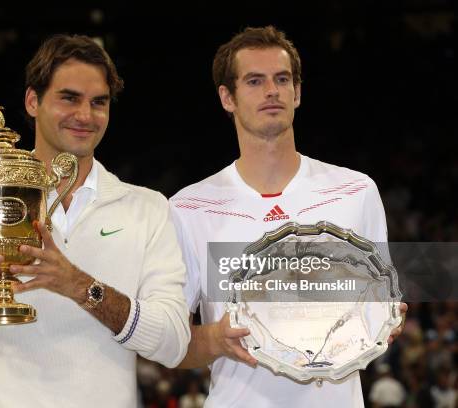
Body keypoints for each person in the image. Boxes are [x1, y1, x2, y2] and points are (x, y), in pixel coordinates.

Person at [0, 34, 190, 407]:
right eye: (69, 98)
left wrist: (80, 286)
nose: (86, 116)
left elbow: (172, 344)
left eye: (99, 103)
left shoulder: (147, 208)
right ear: (32, 102)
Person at [169, 26, 406, 407]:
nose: (271, 91)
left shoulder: (356, 192)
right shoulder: (188, 208)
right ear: (227, 97)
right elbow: (169, 345)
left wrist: (383, 320)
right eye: (254, 81)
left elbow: (377, 306)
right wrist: (214, 339)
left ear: (297, 92)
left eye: (282, 79)